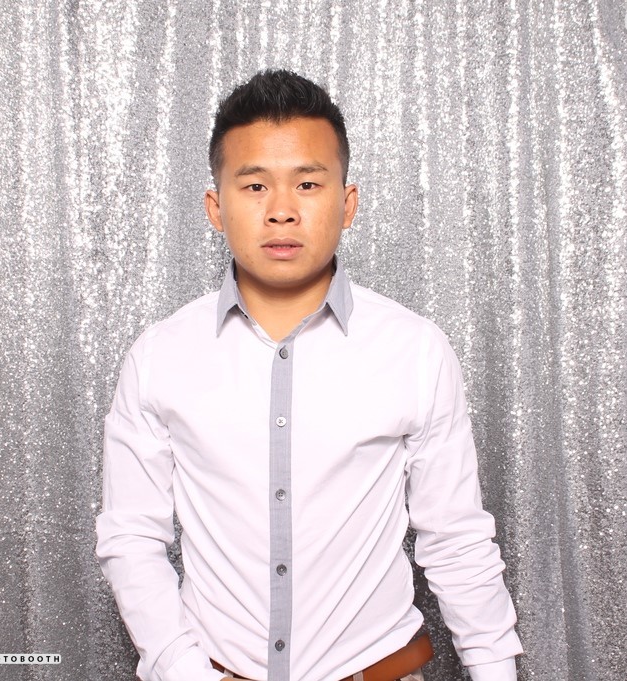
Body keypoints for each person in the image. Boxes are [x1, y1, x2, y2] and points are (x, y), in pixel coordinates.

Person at [96, 69, 523, 681]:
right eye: (255, 186)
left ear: (347, 204)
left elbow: (456, 538)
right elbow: (130, 539)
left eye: (307, 183)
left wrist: (495, 670)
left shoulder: (416, 350)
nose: (281, 211)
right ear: (216, 208)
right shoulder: (159, 356)